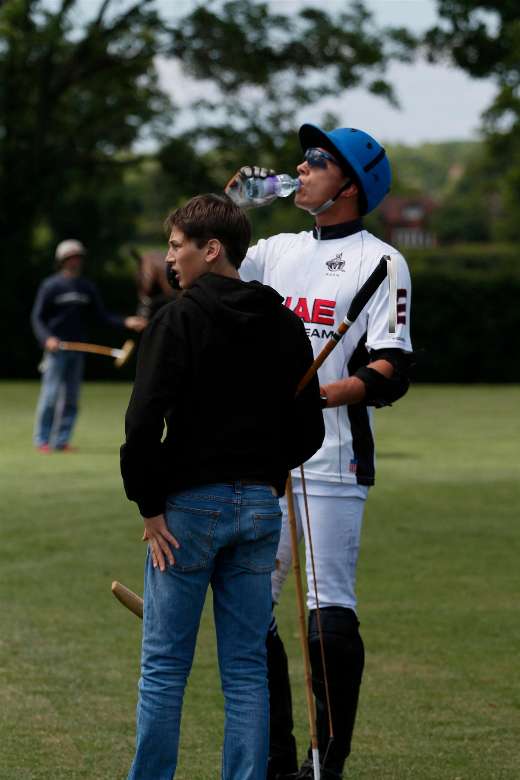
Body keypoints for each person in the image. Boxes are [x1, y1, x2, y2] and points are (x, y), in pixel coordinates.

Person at [226, 123, 417, 780]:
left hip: (334, 460)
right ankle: (278, 762)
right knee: (252, 610)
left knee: (326, 615)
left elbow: (392, 367)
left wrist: (319, 398)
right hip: (263, 460)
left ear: (351, 183)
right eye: (301, 160)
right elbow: (203, 273)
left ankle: (325, 763)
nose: (300, 169)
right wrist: (233, 211)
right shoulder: (273, 251)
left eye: (316, 161)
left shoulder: (383, 261)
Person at [120, 193, 325, 780]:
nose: (169, 259)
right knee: (246, 671)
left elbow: (141, 423)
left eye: (177, 246)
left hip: (187, 513)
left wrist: (150, 505)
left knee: (163, 669)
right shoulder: (286, 324)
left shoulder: (177, 318)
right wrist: (265, 469)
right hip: (261, 511)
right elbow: (308, 429)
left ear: (211, 250)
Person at [30, 239, 147, 452]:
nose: (77, 260)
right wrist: (47, 338)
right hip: (56, 351)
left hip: (78, 350)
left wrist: (126, 322)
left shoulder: (86, 287)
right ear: (62, 260)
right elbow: (37, 318)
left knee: (71, 399)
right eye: (73, 257)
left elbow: (101, 317)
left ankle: (60, 441)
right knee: (50, 396)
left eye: (79, 256)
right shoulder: (51, 285)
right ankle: (42, 440)